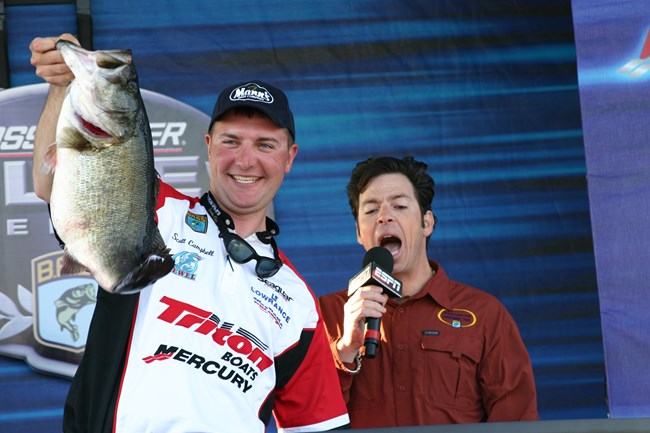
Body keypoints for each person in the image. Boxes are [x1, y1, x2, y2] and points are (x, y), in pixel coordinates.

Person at [29, 33, 350, 433]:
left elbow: (318, 426)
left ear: (290, 158)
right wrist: (61, 86)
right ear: (209, 145)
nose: (245, 160)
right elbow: (54, 182)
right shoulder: (159, 208)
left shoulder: (299, 302)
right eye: (231, 141)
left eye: (265, 144)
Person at [319, 156, 538, 428]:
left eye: (399, 206)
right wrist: (346, 351)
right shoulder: (324, 315)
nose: (384, 216)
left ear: (427, 223)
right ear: (359, 233)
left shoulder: (485, 314)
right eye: (371, 210)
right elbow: (305, 419)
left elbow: (517, 421)